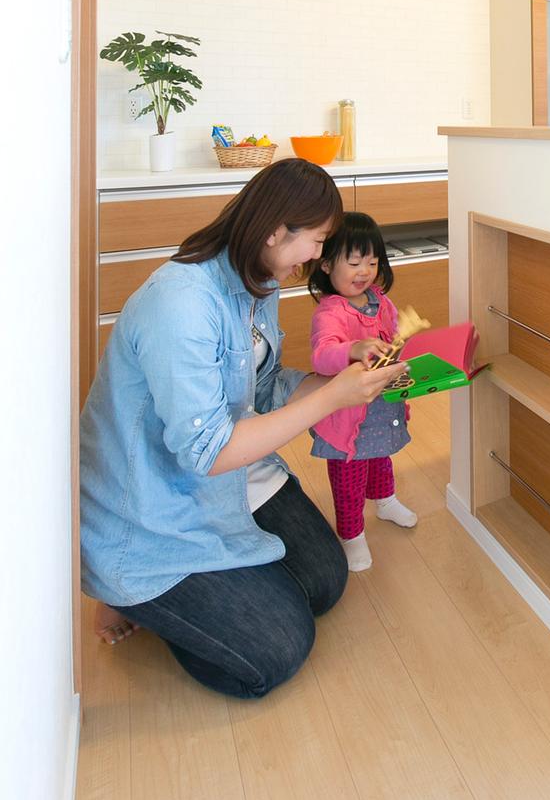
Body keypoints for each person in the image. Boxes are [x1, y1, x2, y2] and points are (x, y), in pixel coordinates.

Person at [79, 159, 404, 697]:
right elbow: (206, 451)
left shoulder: (258, 283)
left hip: (233, 475)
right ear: (277, 229)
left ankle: (222, 591)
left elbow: (267, 384)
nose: (320, 257)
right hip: (155, 503)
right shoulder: (181, 303)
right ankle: (129, 594)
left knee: (325, 584)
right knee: (278, 649)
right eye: (317, 241)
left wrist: (352, 380)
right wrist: (332, 397)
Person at [308, 213, 418, 571]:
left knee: (381, 457)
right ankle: (351, 534)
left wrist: (406, 339)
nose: (364, 270)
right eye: (354, 262)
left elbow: (391, 338)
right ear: (326, 265)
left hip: (381, 407)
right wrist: (353, 348)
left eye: (372, 261)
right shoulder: (330, 312)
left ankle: (385, 501)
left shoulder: (379, 300)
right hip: (348, 414)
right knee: (349, 476)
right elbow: (323, 357)